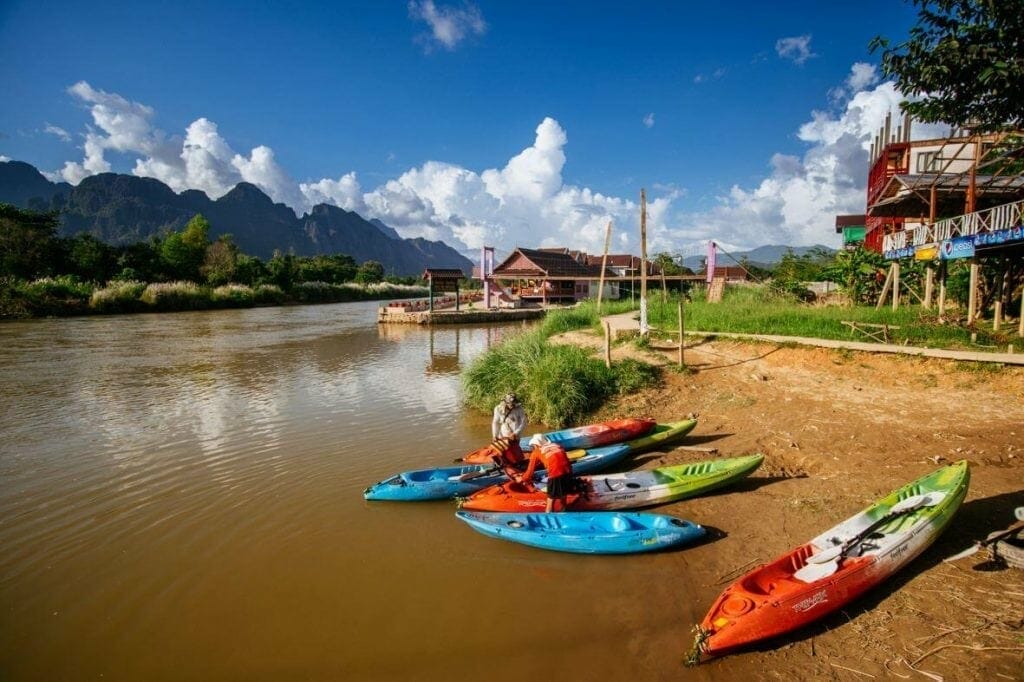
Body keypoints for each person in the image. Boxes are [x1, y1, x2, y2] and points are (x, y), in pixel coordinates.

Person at [521, 433, 575, 512]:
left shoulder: (536, 452)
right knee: (563, 496)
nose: (533, 448)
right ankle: (564, 512)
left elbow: (529, 472)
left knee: (550, 500)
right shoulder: (556, 445)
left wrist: (524, 479)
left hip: (555, 474)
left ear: (536, 445)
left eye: (533, 446)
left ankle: (549, 516)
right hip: (568, 471)